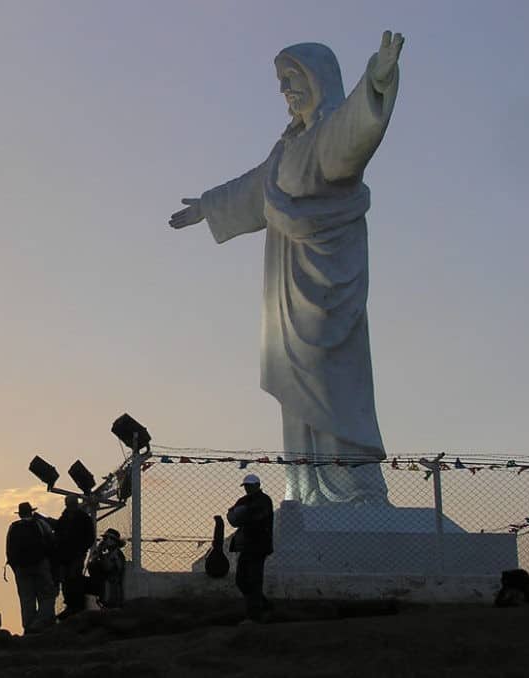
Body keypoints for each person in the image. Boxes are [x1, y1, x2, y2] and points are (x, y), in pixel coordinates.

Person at [168, 32, 406, 505]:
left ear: (317, 80)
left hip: (326, 291)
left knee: (331, 381)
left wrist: (375, 83)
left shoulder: (328, 134)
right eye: (280, 81)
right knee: (298, 391)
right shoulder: (287, 149)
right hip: (289, 295)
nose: (284, 90)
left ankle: (353, 485)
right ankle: (310, 486)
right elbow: (256, 188)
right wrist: (208, 207)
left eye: (291, 78)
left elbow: (357, 131)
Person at [226, 474, 275, 622]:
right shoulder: (244, 500)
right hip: (246, 545)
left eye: (250, 485)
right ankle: (265, 606)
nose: (247, 488)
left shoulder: (264, 500)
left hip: (259, 545)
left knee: (254, 580)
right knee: (241, 580)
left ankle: (254, 615)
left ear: (257, 485)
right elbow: (233, 517)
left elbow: (256, 516)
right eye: (246, 486)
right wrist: (237, 513)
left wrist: (242, 513)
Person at [5, 501, 57, 633]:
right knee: (47, 595)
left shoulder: (13, 527)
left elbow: (9, 550)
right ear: (31, 512)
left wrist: (15, 567)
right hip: (40, 564)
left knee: (26, 598)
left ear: (20, 514)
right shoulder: (39, 524)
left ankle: (28, 627)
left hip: (21, 568)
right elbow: (51, 541)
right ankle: (41, 623)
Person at [55, 496, 96, 617]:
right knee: (70, 580)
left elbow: (89, 537)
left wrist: (81, 550)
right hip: (70, 555)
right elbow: (90, 537)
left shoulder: (66, 518)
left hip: (71, 555)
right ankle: (72, 606)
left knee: (72, 580)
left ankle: (74, 606)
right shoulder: (82, 518)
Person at [87, 528, 126, 609]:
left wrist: (100, 554)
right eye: (105, 538)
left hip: (112, 590)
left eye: (108, 538)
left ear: (114, 541)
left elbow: (108, 567)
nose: (105, 540)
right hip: (103, 589)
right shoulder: (107, 555)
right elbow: (91, 565)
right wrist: (98, 552)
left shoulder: (117, 555)